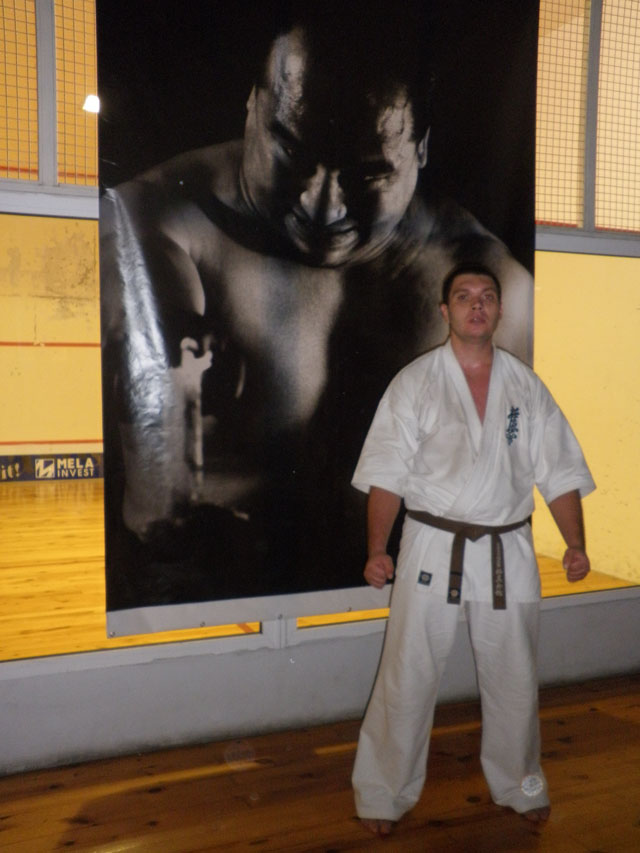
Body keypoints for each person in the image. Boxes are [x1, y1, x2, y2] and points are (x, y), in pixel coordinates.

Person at [100, 5, 534, 608]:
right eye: (293, 151)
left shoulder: (489, 286)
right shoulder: (154, 229)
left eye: (368, 174)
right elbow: (160, 511)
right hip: (217, 607)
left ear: (421, 150)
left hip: (404, 598)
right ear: (252, 108)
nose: (322, 204)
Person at [350, 264, 595, 835]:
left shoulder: (525, 386)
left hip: (508, 546)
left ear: (500, 311)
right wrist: (376, 548)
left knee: (516, 676)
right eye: (464, 297)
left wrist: (576, 543)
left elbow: (558, 470)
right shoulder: (415, 382)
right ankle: (383, 793)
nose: (476, 305)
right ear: (445, 311)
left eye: (487, 297)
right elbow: (386, 473)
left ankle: (523, 785)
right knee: (407, 673)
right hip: (431, 541)